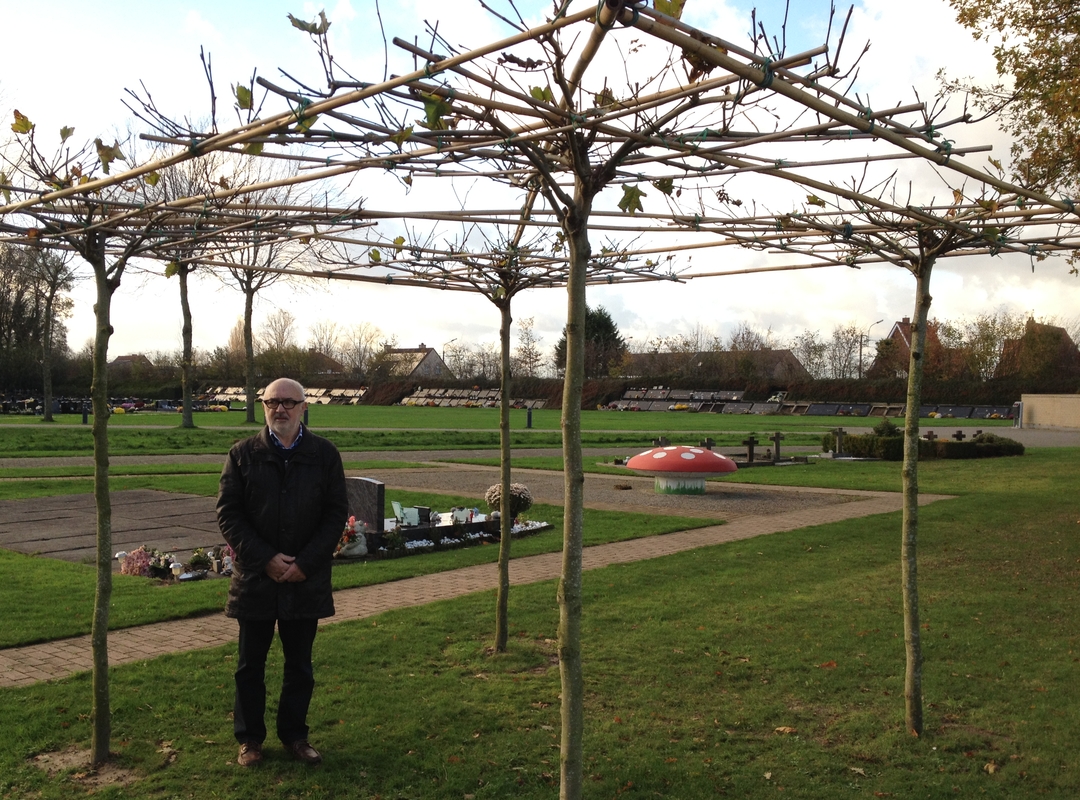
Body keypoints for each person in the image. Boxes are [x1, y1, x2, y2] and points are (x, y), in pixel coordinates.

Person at [217, 377, 348, 767]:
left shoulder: (324, 455)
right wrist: (266, 559)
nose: (281, 409)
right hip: (256, 579)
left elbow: (335, 514)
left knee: (300, 667)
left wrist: (304, 563)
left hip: (304, 581)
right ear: (263, 406)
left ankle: (295, 735)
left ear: (304, 407)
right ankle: (250, 740)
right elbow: (229, 514)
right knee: (249, 666)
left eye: (289, 402)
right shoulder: (242, 454)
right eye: (273, 402)